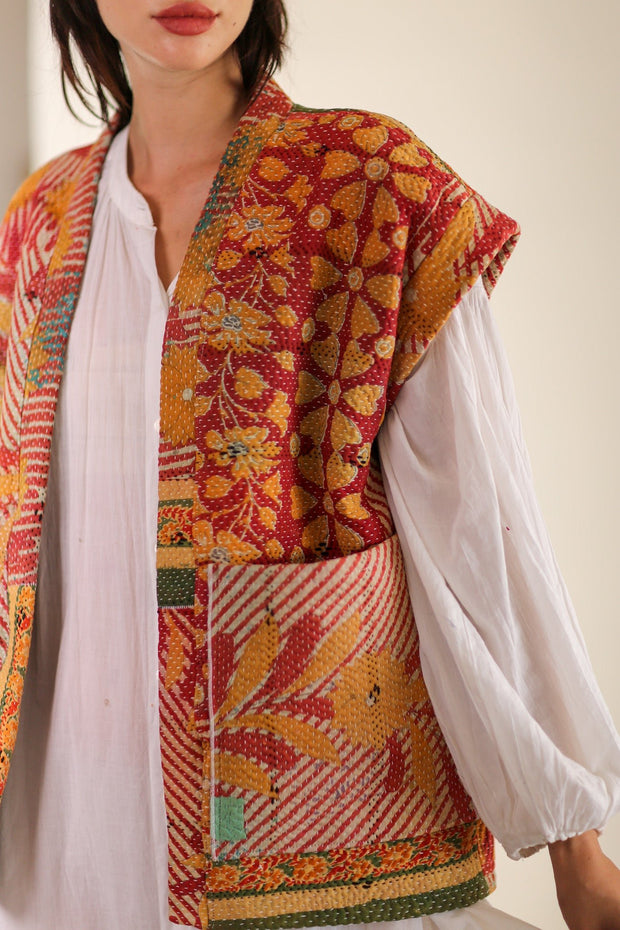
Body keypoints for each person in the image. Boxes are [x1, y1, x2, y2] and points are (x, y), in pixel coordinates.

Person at [0, 1, 619, 928]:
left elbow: (480, 529)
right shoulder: (38, 224)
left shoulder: (372, 185)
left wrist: (575, 840)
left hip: (302, 834)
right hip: (70, 832)